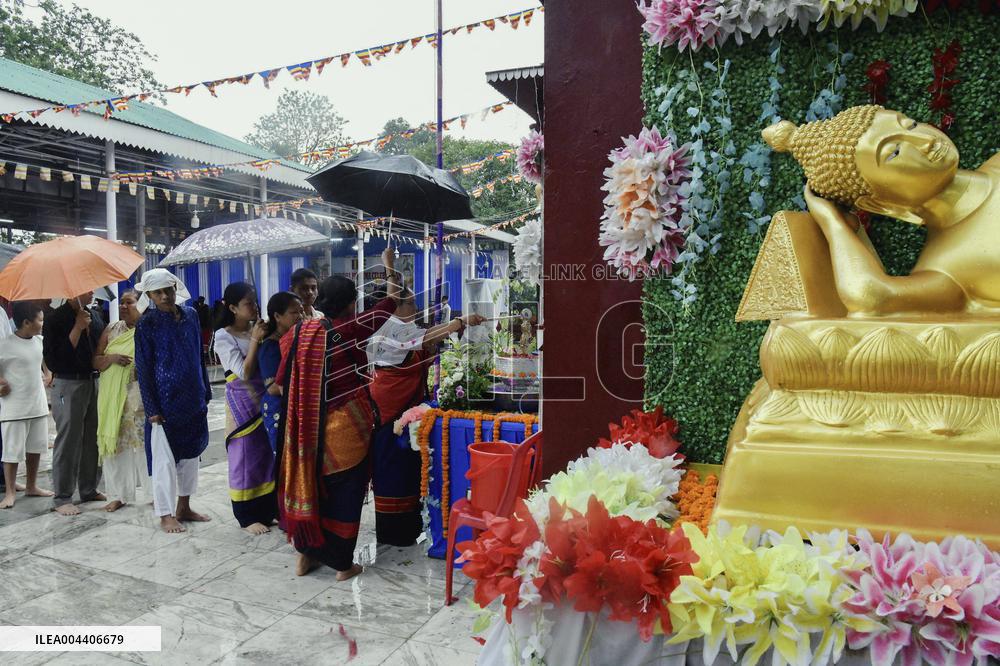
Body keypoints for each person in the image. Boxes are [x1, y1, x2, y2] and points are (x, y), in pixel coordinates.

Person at [277, 247, 401, 579]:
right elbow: (393, 301)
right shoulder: (348, 330)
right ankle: (343, 564)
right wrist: (389, 265)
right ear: (350, 305)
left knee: (314, 488)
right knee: (347, 493)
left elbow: (280, 382)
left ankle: (307, 556)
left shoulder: (297, 335)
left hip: (306, 432)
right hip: (346, 427)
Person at [366, 289, 486, 545]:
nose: (416, 308)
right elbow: (424, 339)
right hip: (389, 413)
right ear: (394, 307)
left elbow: (425, 345)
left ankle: (409, 527)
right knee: (393, 474)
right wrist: (459, 322)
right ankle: (392, 533)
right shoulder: (386, 332)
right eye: (411, 304)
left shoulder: (403, 328)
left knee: (409, 471)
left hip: (407, 409)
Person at [134, 269, 212, 533]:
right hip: (164, 402)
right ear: (149, 296)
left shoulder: (190, 315)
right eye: (158, 292)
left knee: (191, 457)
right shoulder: (147, 324)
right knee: (164, 461)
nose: (165, 296)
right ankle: (166, 514)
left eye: (168, 289)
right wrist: (152, 407)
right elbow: (143, 368)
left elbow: (198, 356)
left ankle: (184, 506)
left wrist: (205, 389)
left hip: (192, 398)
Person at [212, 282, 276, 535]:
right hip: (243, 404)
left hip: (266, 400)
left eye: (255, 301)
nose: (254, 306)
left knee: (266, 456)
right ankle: (246, 515)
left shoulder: (257, 329)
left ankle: (268, 510)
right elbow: (244, 372)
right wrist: (255, 342)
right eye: (248, 303)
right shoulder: (223, 336)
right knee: (245, 458)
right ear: (232, 308)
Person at [42, 290, 105, 515]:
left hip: (92, 380)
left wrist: (89, 330)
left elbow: (99, 348)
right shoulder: (55, 319)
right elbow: (55, 359)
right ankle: (62, 496)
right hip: (68, 383)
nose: (91, 293)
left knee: (92, 437)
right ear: (74, 291)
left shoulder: (93, 315)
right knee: (69, 439)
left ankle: (88, 488)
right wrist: (77, 328)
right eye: (86, 289)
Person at [93, 290, 147, 512]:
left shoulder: (148, 330)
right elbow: (95, 360)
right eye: (122, 303)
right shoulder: (111, 329)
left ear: (141, 304)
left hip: (141, 396)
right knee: (116, 445)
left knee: (145, 445)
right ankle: (118, 495)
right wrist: (111, 358)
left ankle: (155, 493)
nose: (124, 306)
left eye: (129, 302)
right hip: (113, 399)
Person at [0, 302, 54, 508]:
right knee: (12, 453)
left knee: (35, 449)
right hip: (14, 407)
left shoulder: (40, 341)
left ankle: (31, 486)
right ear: (26, 322)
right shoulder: (4, 344)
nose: (42, 323)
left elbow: (45, 362)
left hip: (37, 405)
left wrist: (48, 373)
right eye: (40, 320)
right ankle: (10, 492)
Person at [257, 292, 304, 454]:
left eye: (301, 311)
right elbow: (272, 387)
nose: (300, 316)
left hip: (297, 406)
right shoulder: (270, 347)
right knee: (285, 459)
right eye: (294, 312)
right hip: (279, 409)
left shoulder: (298, 340)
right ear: (277, 316)